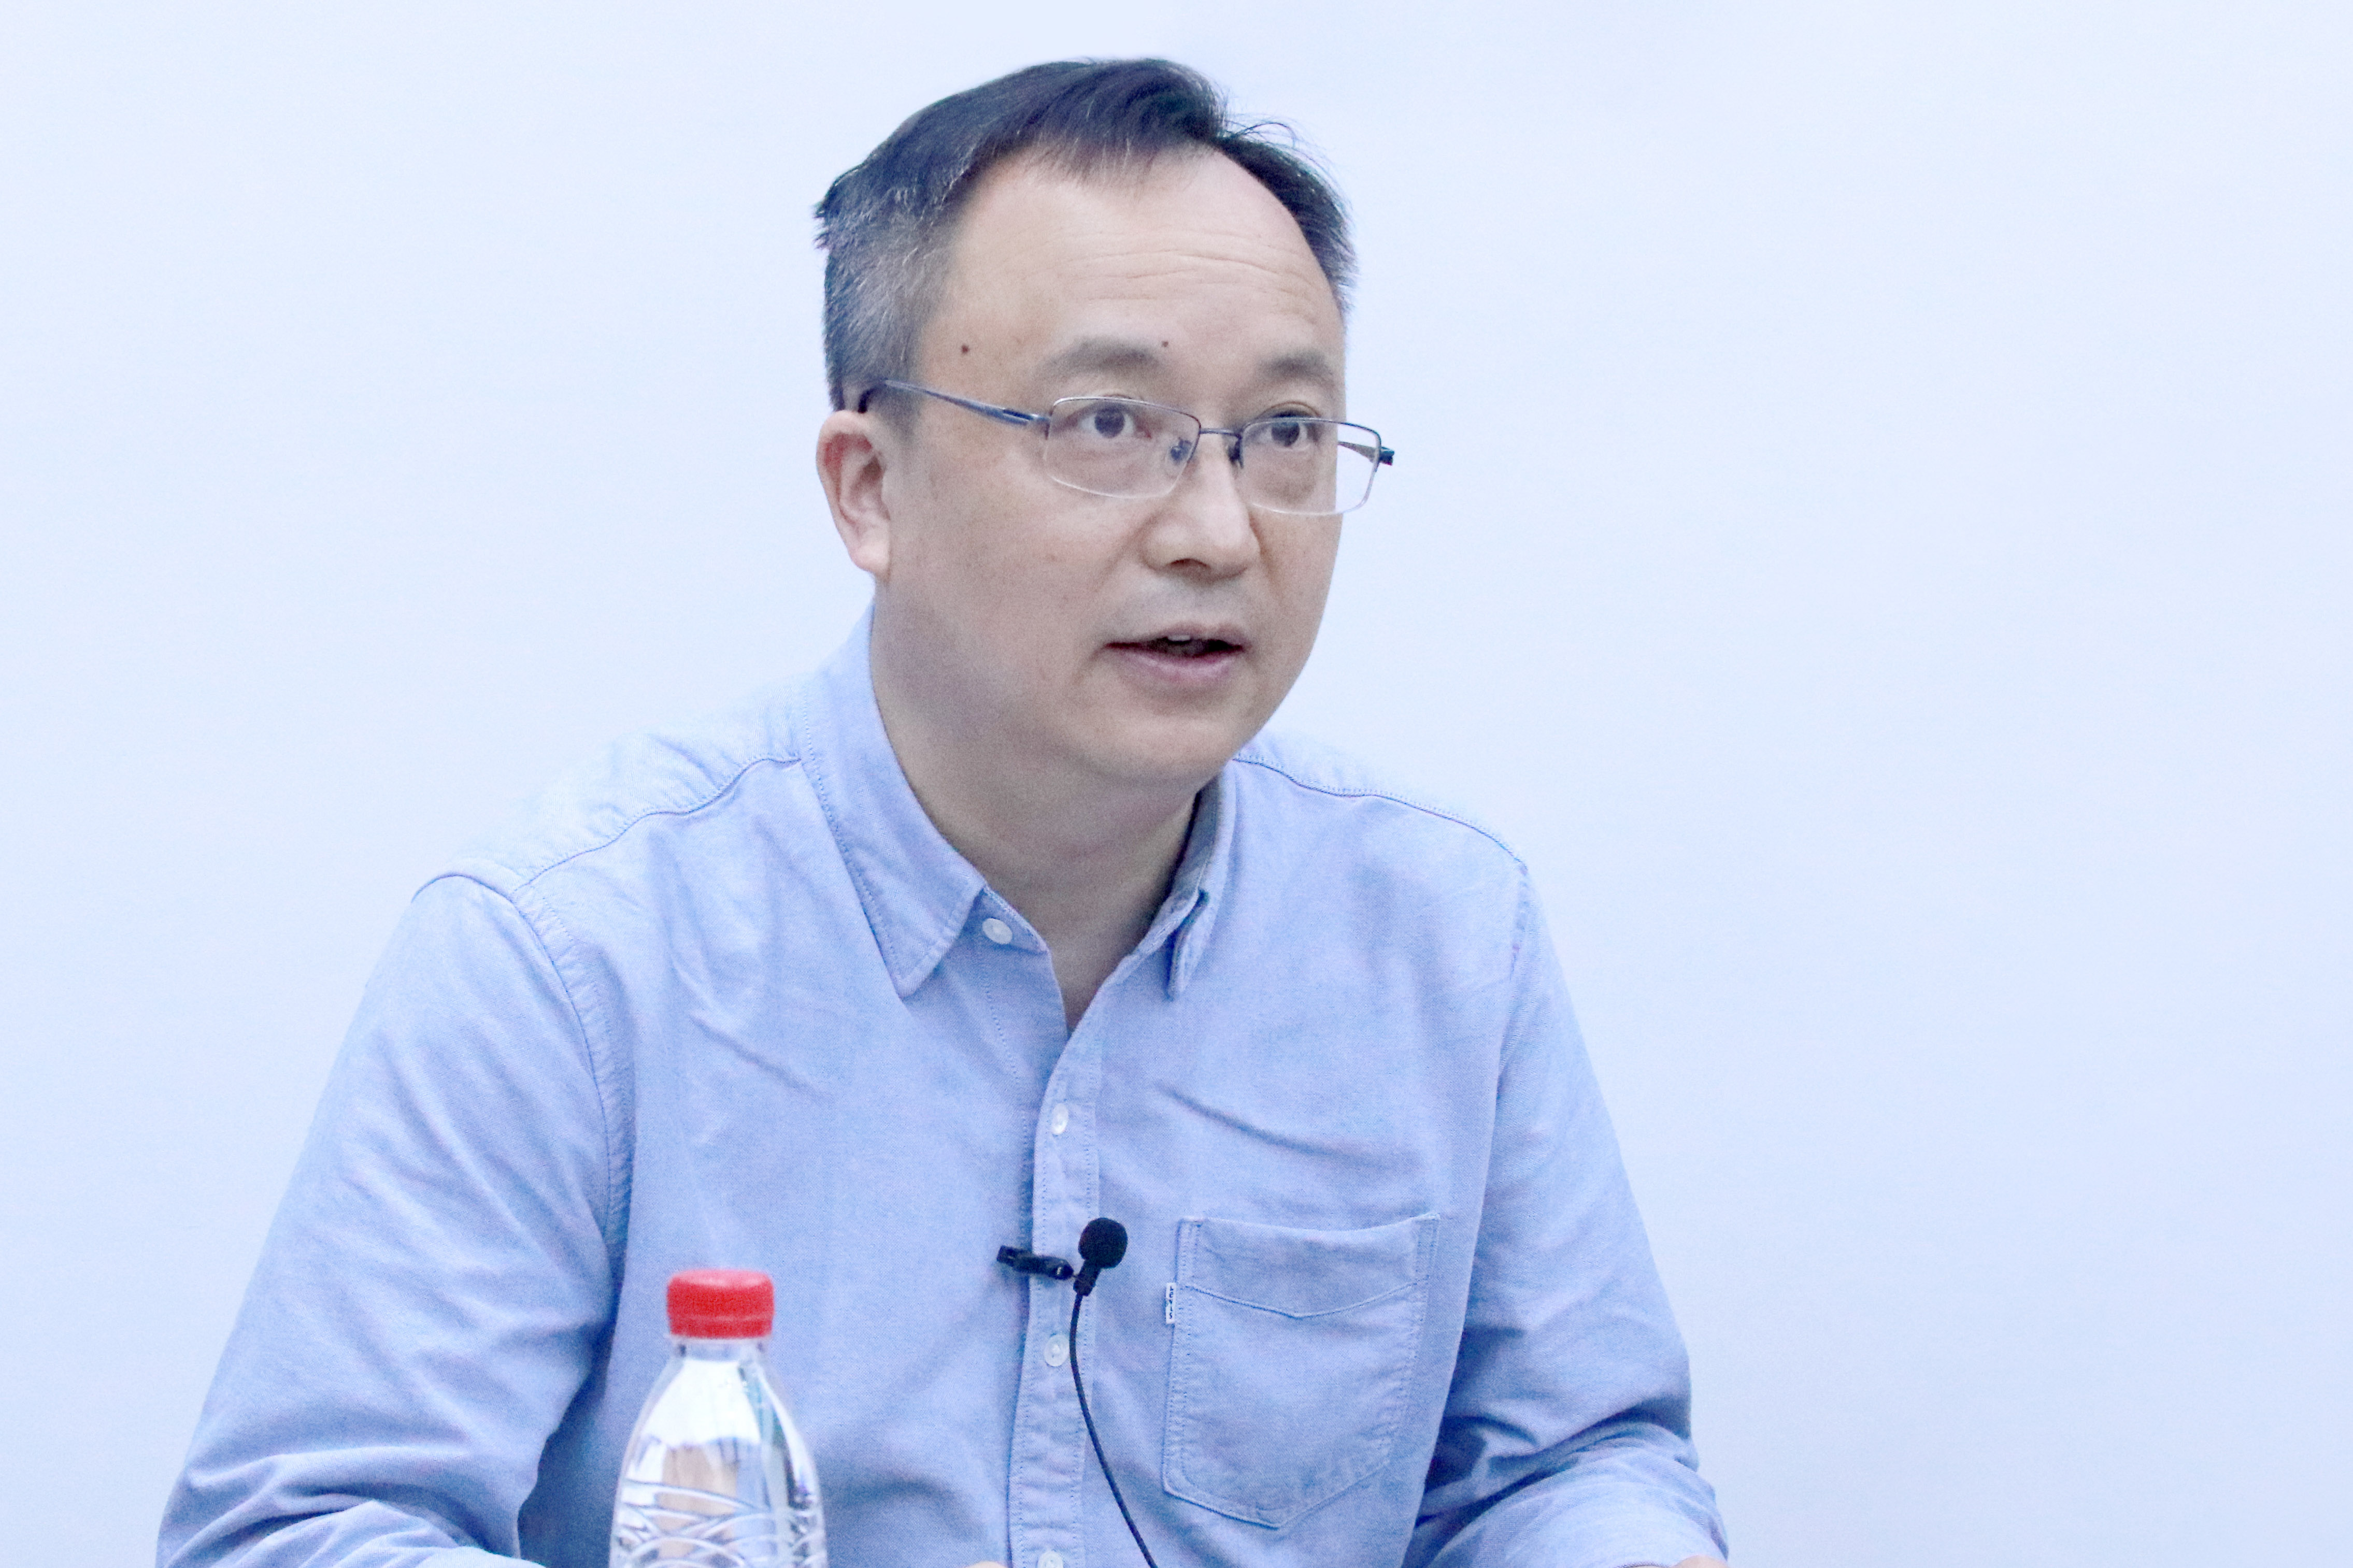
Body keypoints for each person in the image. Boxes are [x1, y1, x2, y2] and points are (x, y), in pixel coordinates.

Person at [159, 59, 1730, 1568]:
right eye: (1110, 426)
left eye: (1283, 438)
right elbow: (297, 1531)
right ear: (871, 486)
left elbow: (1565, 1463)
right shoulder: (571, 953)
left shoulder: (1438, 931)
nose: (1216, 529)